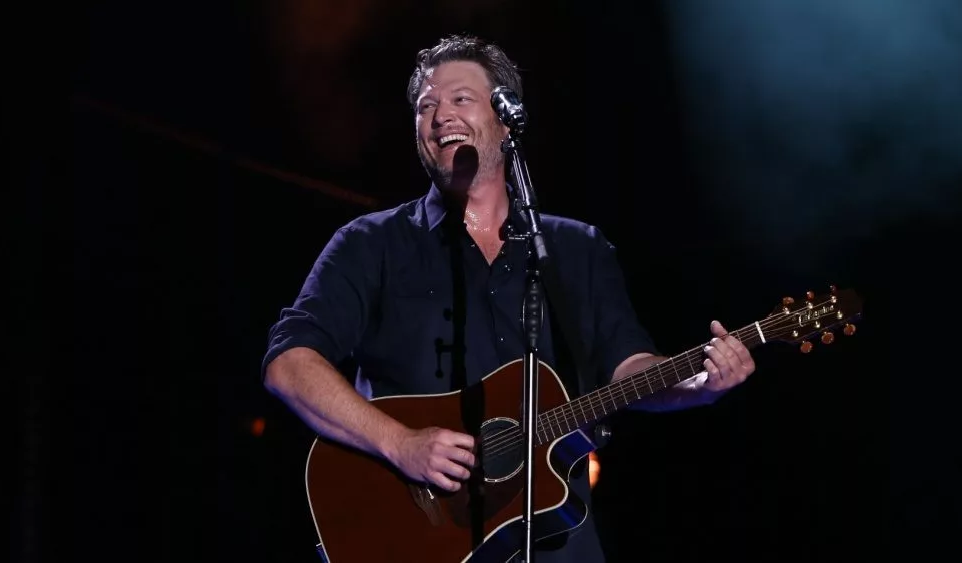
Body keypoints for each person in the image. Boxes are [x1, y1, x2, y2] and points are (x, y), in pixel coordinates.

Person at [262, 34, 755, 562]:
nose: (439, 117)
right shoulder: (370, 243)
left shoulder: (574, 249)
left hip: (555, 542)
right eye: (426, 106)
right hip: (415, 540)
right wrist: (399, 444)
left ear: (504, 117)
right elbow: (289, 365)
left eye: (460, 99)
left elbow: (626, 367)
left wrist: (695, 384)